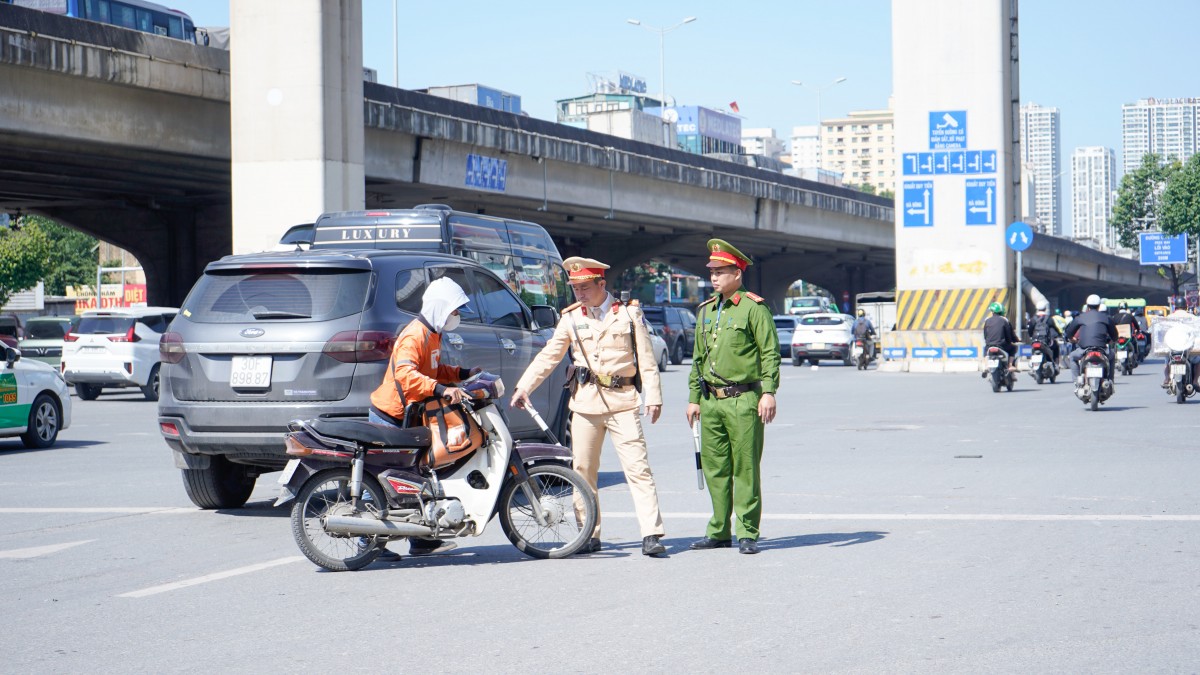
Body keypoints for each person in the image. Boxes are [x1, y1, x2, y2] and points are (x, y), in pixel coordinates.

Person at [510, 257, 667, 557]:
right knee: (582, 471)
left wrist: (654, 396)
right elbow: (549, 356)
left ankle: (651, 532)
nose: (579, 294)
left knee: (638, 469)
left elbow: (646, 359)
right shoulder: (570, 318)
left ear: (601, 284)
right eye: (575, 288)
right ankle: (588, 533)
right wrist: (524, 386)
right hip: (584, 403)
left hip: (622, 402)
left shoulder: (629, 313)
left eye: (584, 287)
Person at [368, 276, 480, 559]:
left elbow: (431, 369)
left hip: (410, 415)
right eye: (454, 310)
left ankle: (422, 541)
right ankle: (367, 542)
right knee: (384, 479)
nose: (457, 316)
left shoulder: (433, 334)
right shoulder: (414, 334)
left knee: (418, 476)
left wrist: (461, 374)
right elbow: (406, 375)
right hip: (390, 416)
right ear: (441, 307)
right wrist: (441, 389)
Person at [685, 239, 781, 555]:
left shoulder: (754, 308)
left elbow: (770, 353)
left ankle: (747, 532)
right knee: (715, 468)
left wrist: (768, 392)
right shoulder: (706, 311)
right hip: (711, 400)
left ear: (737, 273)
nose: (714, 277)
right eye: (712, 272)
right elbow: (698, 358)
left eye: (721, 271)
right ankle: (718, 530)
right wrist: (694, 397)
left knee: (745, 468)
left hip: (743, 399)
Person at [1063, 294, 1118, 386]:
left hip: (1084, 349)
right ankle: (1111, 380)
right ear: (1099, 305)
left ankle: (1077, 381)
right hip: (1102, 349)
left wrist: (1072, 339)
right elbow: (1115, 336)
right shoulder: (1107, 318)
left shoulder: (1080, 317)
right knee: (1112, 356)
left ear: (1087, 306)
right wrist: (1111, 340)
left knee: (1072, 356)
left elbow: (1069, 333)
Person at [982, 302, 1018, 372]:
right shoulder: (1005, 320)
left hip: (990, 345)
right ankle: (1010, 365)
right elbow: (1009, 334)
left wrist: (988, 342)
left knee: (985, 351)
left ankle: (986, 366)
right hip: (1002, 345)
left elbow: (985, 335)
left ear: (992, 311)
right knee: (1013, 348)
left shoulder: (987, 321)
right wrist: (1011, 341)